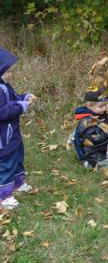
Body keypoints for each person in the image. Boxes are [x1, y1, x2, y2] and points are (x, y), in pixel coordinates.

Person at [0, 48, 36, 209]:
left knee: (17, 156)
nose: (10, 74)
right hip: (3, 136)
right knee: (7, 162)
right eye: (7, 71)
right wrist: (21, 107)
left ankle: (18, 183)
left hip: (12, 132)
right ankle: (4, 195)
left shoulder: (5, 85)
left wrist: (25, 97)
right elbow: (2, 111)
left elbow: (14, 99)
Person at [73, 87, 108, 168]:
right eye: (101, 106)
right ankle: (88, 163)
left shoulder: (99, 116)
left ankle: (107, 158)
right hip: (91, 153)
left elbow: (103, 128)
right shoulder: (87, 121)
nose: (104, 108)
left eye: (105, 105)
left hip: (102, 148)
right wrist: (107, 135)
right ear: (89, 105)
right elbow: (93, 139)